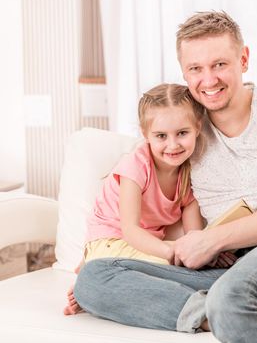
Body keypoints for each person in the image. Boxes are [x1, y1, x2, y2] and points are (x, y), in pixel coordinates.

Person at [72, 11, 257, 343]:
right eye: (196, 69)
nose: (208, 80)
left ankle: (232, 307)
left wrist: (213, 240)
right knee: (95, 278)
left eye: (219, 64)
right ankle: (234, 315)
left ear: (244, 59)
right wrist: (94, 258)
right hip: (234, 264)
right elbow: (145, 200)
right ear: (184, 73)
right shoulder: (184, 133)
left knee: (230, 294)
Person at [64, 82, 235, 313]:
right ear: (146, 134)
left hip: (144, 246)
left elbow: (193, 234)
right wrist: (173, 252)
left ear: (197, 127)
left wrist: (206, 251)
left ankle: (104, 289)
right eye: (161, 136)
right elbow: (130, 230)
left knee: (195, 266)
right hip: (111, 242)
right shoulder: (135, 167)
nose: (172, 145)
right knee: (172, 266)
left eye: (182, 133)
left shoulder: (190, 175)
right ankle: (95, 281)